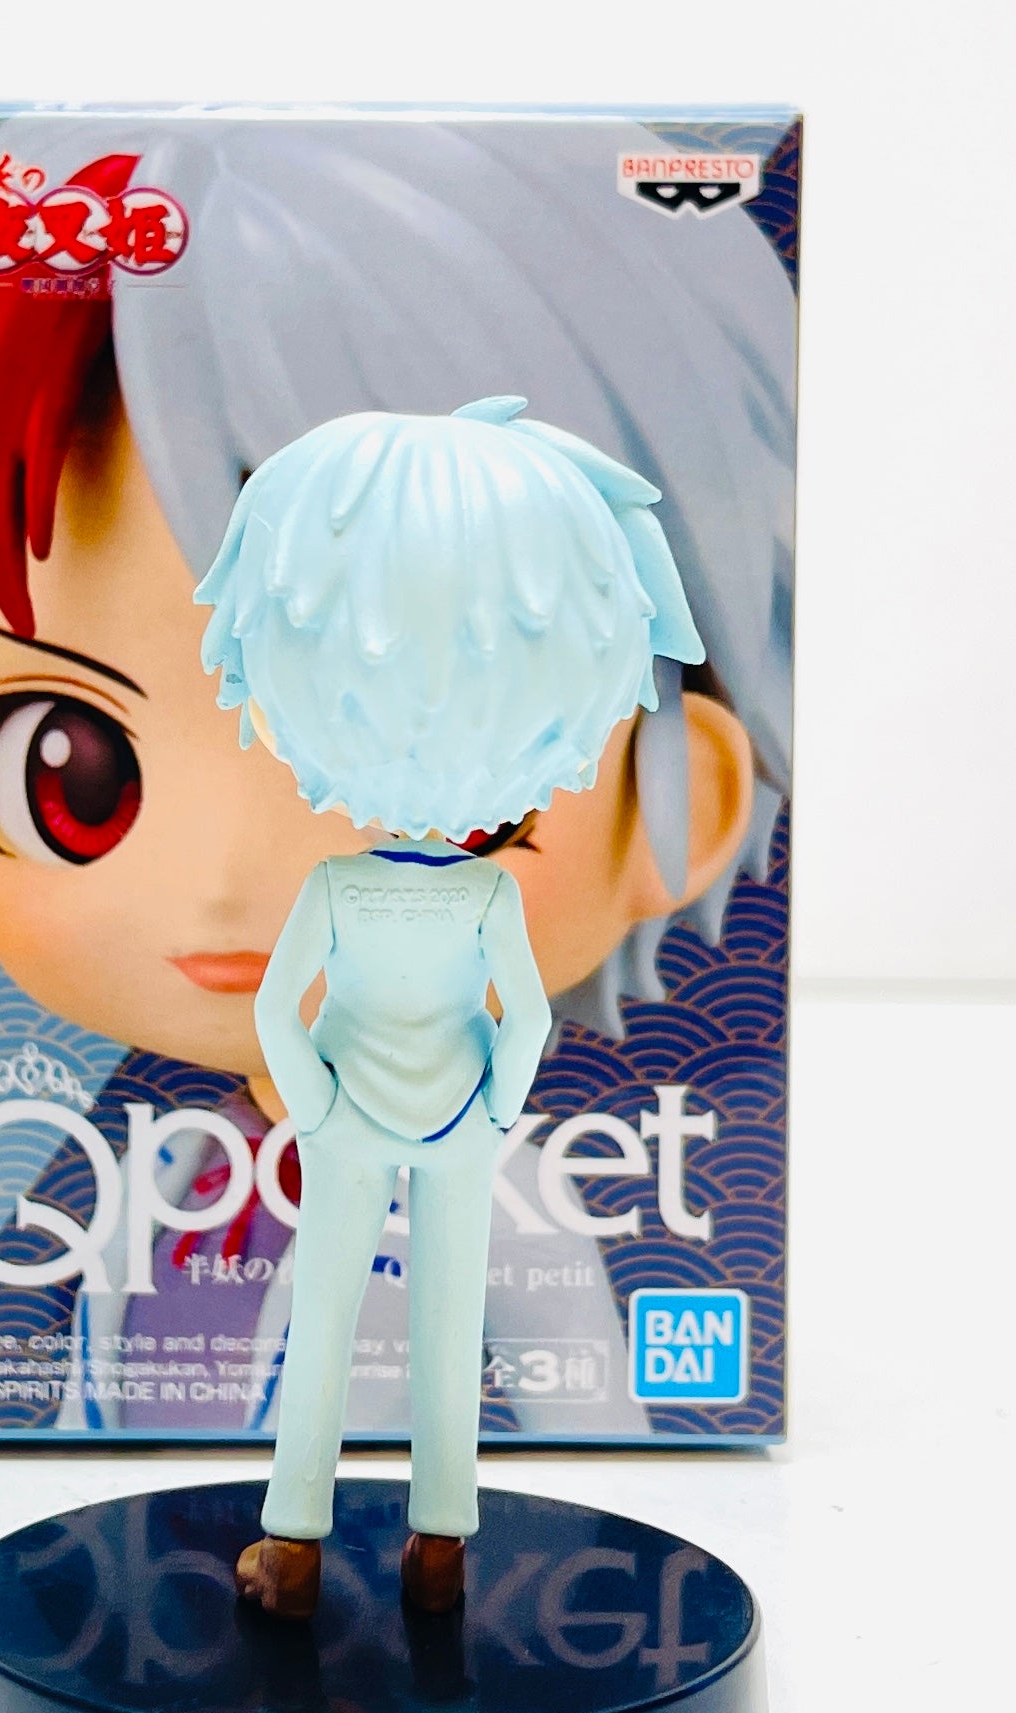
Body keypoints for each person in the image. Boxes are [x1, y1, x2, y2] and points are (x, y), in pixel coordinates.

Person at [0, 114, 796, 1439]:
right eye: (68, 772)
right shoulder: (161, 1181)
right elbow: (80, 1395)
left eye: (435, 756)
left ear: (683, 806)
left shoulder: (504, 1193)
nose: (225, 881)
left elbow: (599, 1422)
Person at [201, 399, 707, 1616]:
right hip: (454, 1121)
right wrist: (487, 1115)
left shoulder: (341, 887)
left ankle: (297, 1543)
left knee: (322, 1325)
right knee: (447, 1327)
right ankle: (440, 1544)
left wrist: (323, 1106)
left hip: (356, 1118)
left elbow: (277, 1011)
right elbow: (524, 1019)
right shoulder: (486, 892)